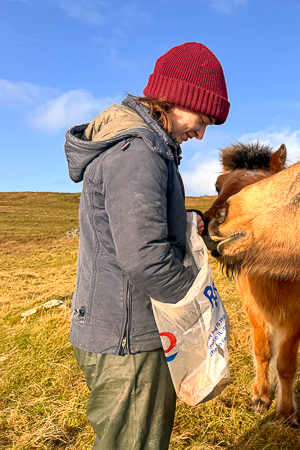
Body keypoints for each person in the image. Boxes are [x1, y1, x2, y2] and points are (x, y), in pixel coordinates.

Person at [64, 42, 229, 449]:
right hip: (130, 339)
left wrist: (183, 220)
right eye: (200, 118)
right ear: (175, 98)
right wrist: (195, 313)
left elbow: (133, 226)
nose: (200, 133)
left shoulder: (137, 148)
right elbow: (144, 258)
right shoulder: (139, 153)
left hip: (118, 329)